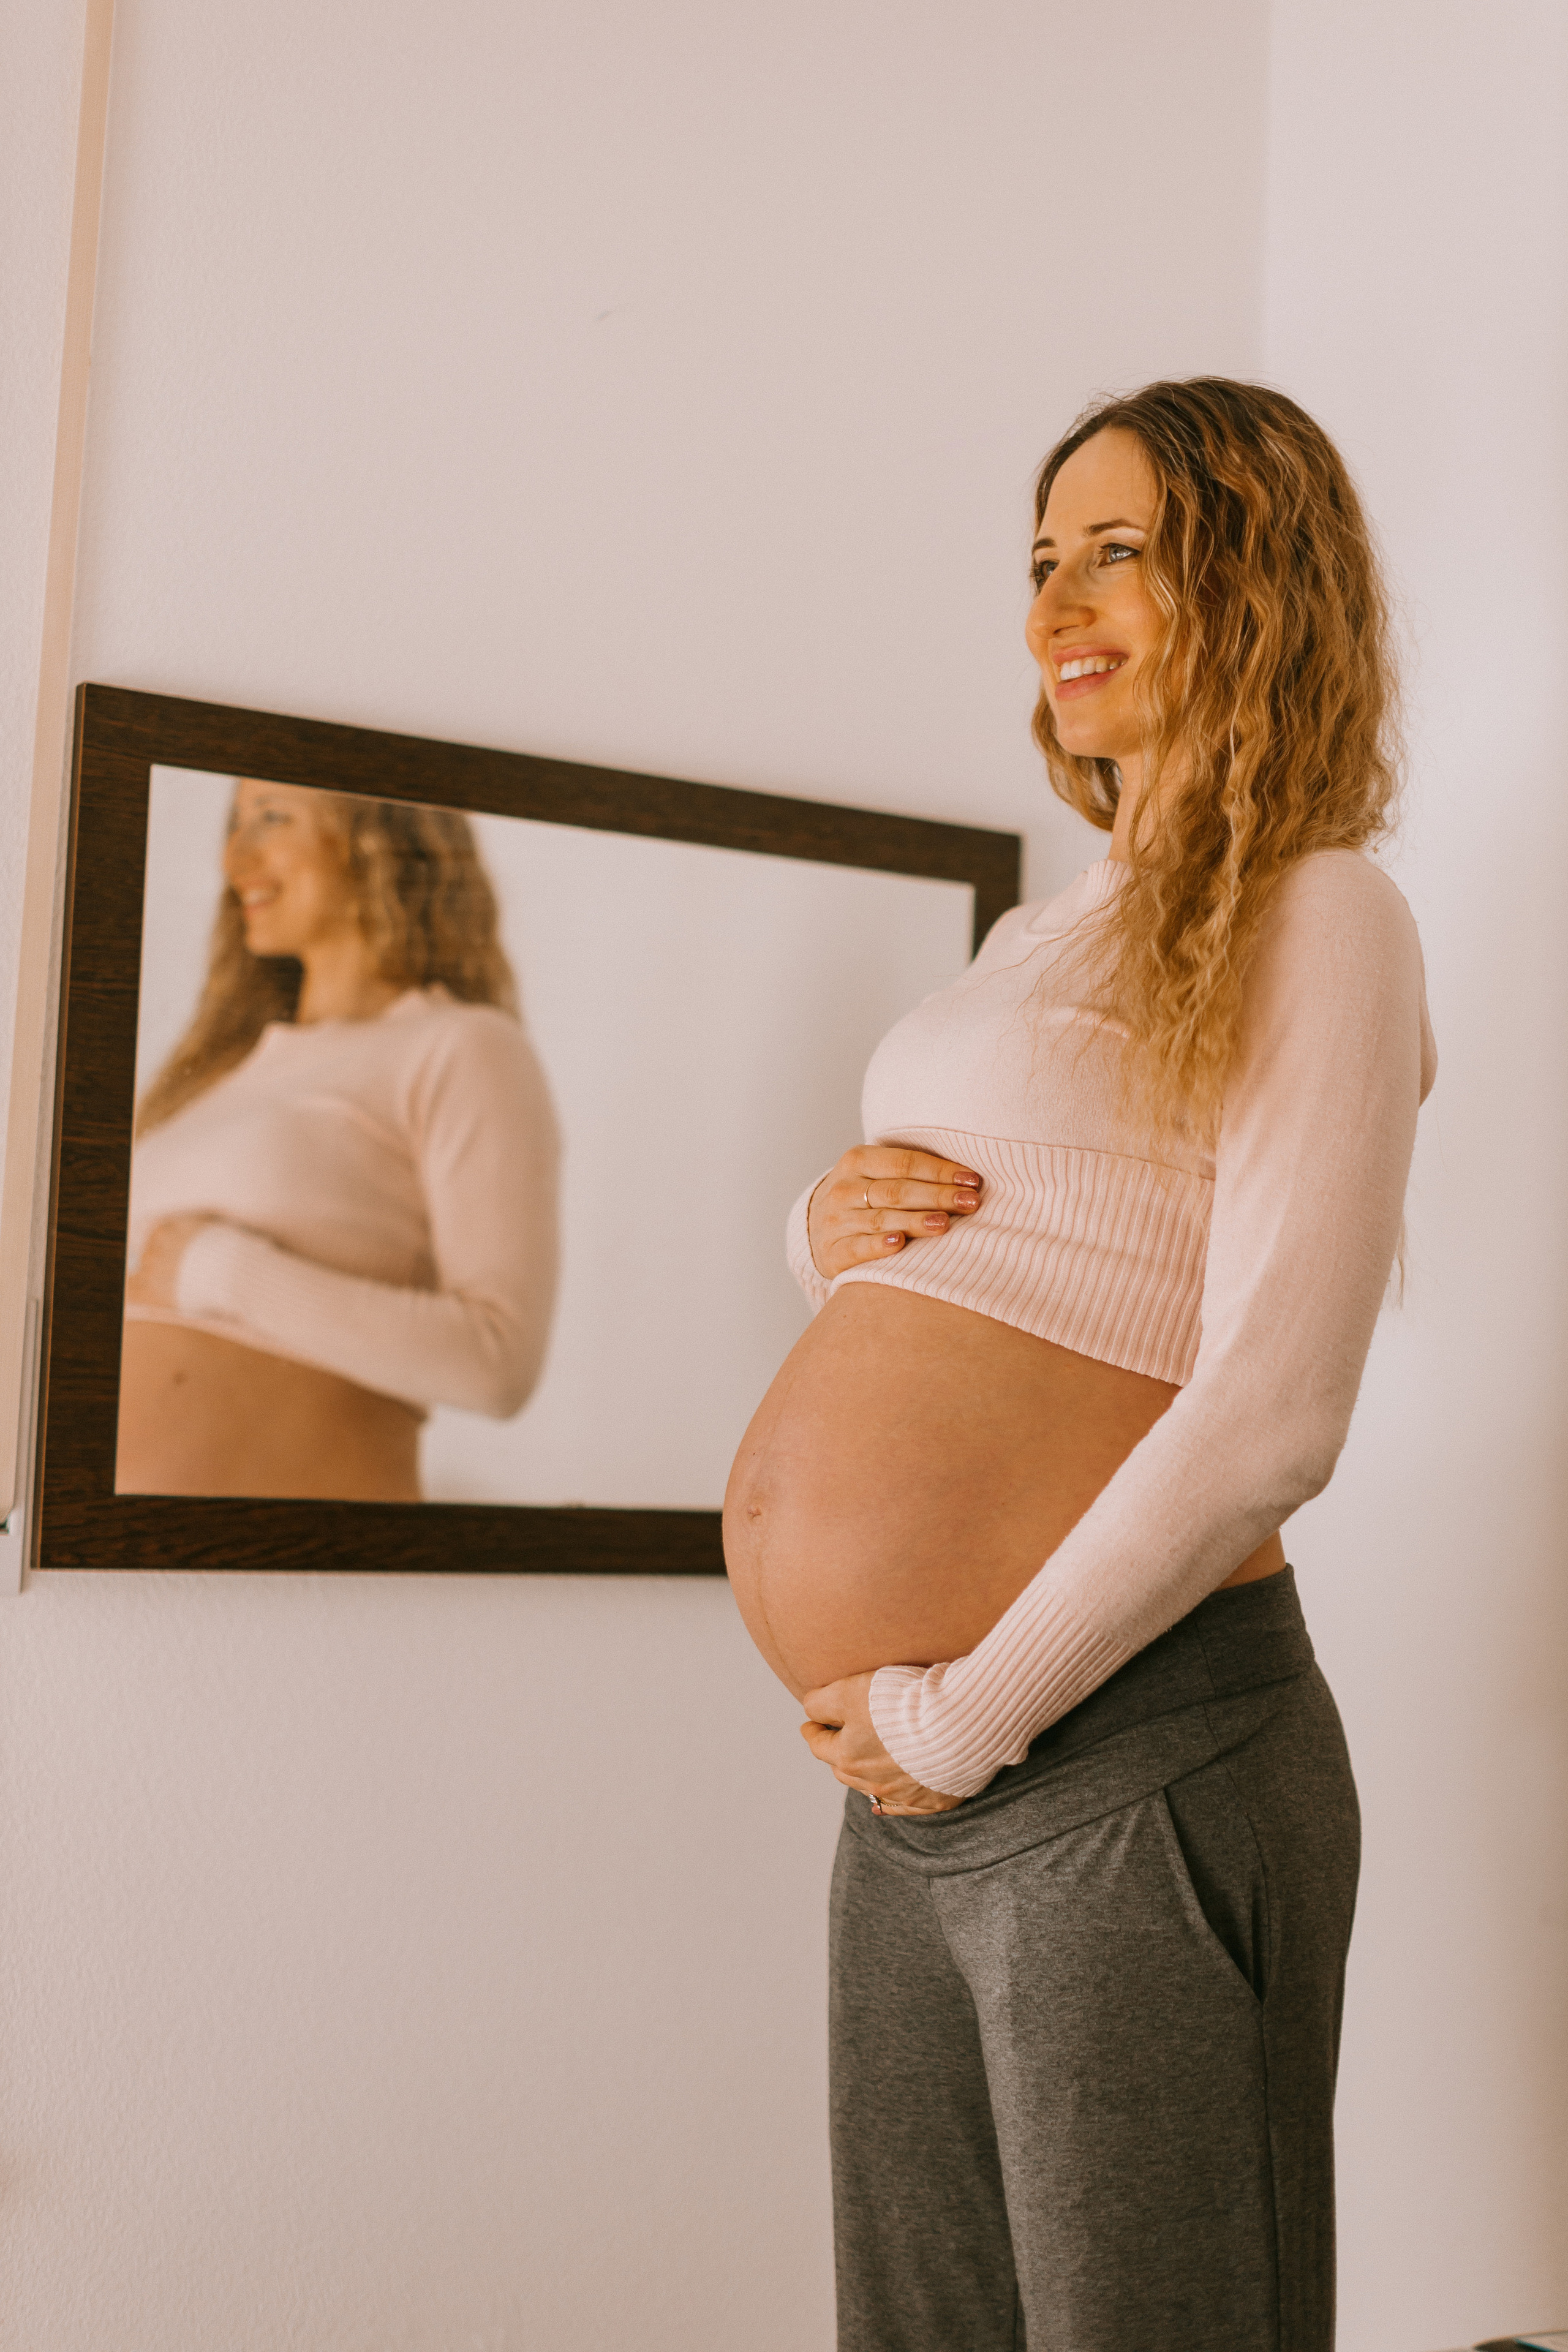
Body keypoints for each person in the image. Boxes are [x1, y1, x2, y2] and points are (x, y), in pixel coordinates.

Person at [725, 378, 1436, 2351]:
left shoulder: (1323, 913)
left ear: (1258, 577)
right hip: (911, 1777)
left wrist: (971, 1715)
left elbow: (1274, 1410)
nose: (1059, 596)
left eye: (1117, 546)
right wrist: (822, 1231)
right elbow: (1017, 1246)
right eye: (1041, 558)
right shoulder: (1035, 942)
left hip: (1127, 1747)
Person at [119, 779, 558, 1501]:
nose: (236, 859)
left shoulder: (461, 1047)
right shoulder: (222, 1077)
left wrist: (218, 1272)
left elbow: (497, 1363)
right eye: (236, 824)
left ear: (380, 833)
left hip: (293, 1573)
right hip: (89, 1578)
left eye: (271, 816)